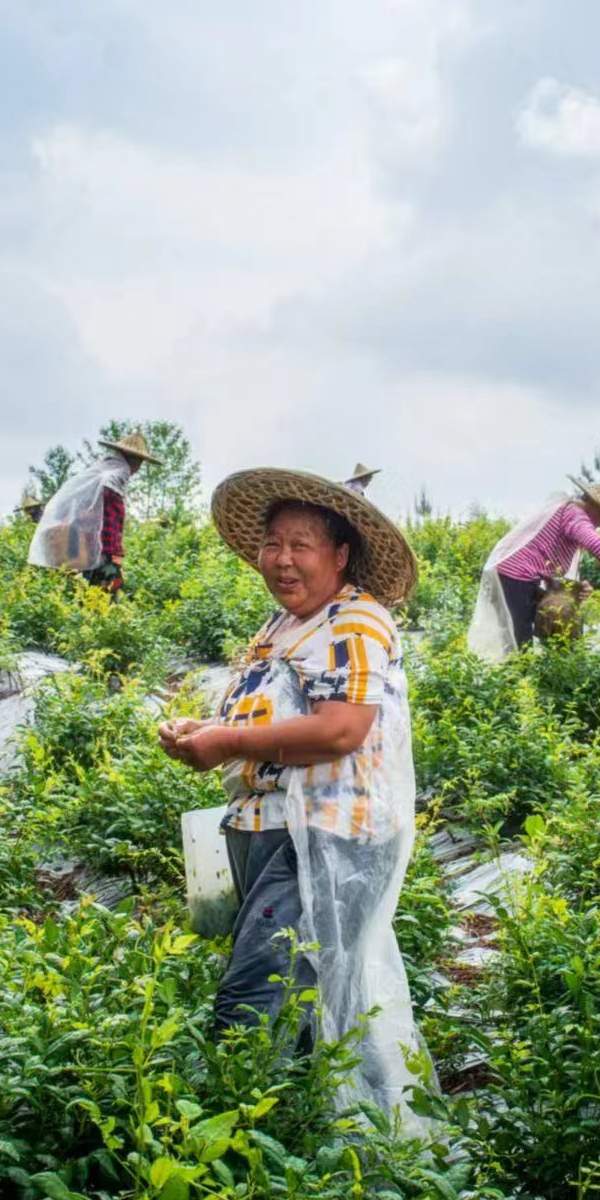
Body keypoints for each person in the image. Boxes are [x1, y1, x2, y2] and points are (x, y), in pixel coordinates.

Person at [157, 467, 427, 1122]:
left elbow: (341, 729)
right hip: (270, 831)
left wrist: (225, 745)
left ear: (340, 555)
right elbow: (271, 712)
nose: (281, 559)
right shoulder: (284, 622)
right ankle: (314, 1143)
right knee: (302, 999)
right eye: (272, 543)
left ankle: (244, 1151)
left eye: (301, 544)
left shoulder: (357, 620)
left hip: (320, 838)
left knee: (255, 999)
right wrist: (211, 728)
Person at [467, 477, 600, 662]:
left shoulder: (567, 512)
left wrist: (576, 587)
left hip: (518, 577)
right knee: (519, 640)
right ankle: (518, 682)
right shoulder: (575, 514)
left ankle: (537, 678)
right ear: (595, 504)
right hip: (514, 577)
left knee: (550, 623)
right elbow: (596, 544)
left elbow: (549, 564)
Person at [26, 429, 162, 596]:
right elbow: (112, 517)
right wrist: (114, 554)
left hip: (83, 546)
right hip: (98, 549)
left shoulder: (100, 471)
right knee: (107, 592)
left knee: (84, 593)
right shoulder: (118, 474)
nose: (139, 467)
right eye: (139, 461)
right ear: (132, 459)